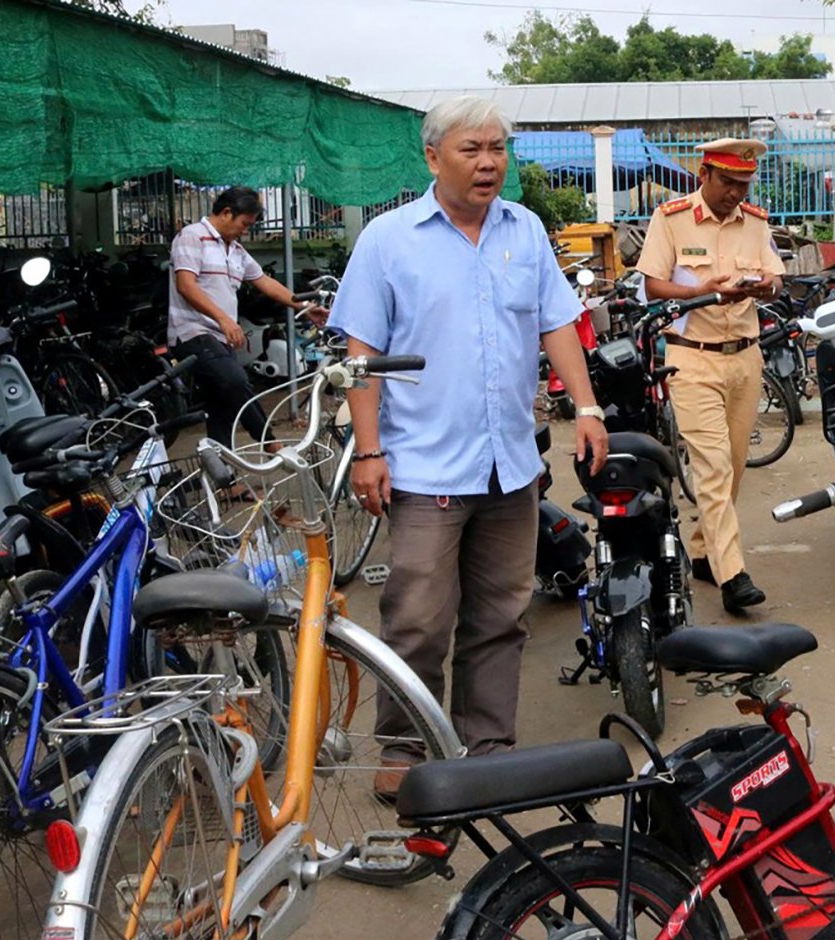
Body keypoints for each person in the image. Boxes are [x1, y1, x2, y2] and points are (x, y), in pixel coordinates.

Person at [326, 95, 610, 801]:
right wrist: (368, 452)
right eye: (471, 150)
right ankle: (404, 743)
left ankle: (486, 747)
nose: (488, 164)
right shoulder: (389, 241)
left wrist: (590, 406)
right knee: (417, 615)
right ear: (432, 157)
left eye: (497, 149)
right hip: (424, 464)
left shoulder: (525, 230)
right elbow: (361, 352)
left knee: (500, 614)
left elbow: (556, 325)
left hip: (510, 462)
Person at [637, 138, 785, 615]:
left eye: (744, 184)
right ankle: (733, 575)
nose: (735, 194)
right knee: (714, 465)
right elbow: (653, 284)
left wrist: (767, 284)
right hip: (692, 358)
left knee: (735, 464)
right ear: (704, 174)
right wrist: (700, 290)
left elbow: (776, 274)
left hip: (745, 358)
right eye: (727, 183)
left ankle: (703, 550)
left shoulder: (756, 223)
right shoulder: (672, 218)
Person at [168, 186, 327, 448]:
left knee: (221, 408)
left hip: (222, 338)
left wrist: (305, 307)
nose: (245, 231)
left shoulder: (236, 250)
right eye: (244, 224)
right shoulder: (192, 237)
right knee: (236, 382)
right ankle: (269, 441)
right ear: (226, 213)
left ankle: (225, 482)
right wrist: (223, 319)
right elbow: (186, 285)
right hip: (193, 333)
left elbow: (264, 281)